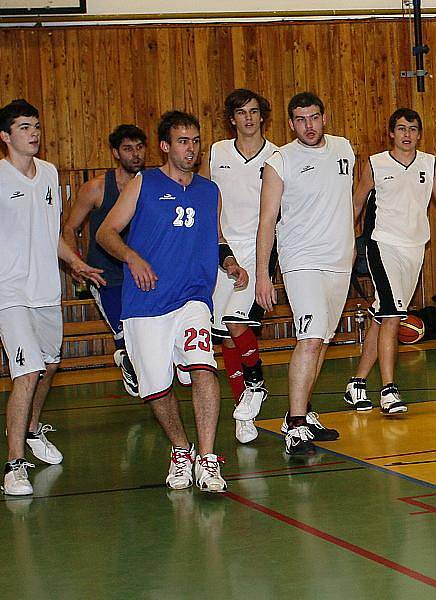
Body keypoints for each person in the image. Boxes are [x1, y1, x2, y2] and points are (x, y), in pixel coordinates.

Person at [97, 110, 247, 492]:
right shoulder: (144, 183)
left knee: (202, 366)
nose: (191, 149)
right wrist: (132, 257)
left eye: (196, 141)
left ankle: (209, 459)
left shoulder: (208, 190)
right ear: (165, 146)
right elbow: (106, 233)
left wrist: (229, 261)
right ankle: (182, 450)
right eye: (183, 141)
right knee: (157, 387)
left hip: (192, 297)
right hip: (145, 302)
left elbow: (214, 238)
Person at [0, 99, 104, 495]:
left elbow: (50, 236)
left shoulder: (48, 174)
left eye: (37, 126)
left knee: (47, 366)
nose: (34, 133)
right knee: (26, 371)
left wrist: (76, 263)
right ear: (5, 136)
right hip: (5, 293)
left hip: (44, 290)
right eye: (24, 127)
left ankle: (30, 429)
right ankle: (14, 465)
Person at [344, 108, 436, 414]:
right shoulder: (376, 164)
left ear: (419, 133)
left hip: (414, 248)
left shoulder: (429, 163)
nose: (407, 134)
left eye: (412, 129)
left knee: (383, 313)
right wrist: (345, 240)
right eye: (401, 129)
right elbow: (357, 202)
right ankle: (388, 389)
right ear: (391, 133)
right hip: (382, 244)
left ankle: (357, 383)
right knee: (392, 314)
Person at [256, 92, 351, 455]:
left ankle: (305, 412)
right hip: (302, 261)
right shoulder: (279, 160)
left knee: (323, 341)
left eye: (314, 117)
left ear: (324, 118)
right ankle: (294, 425)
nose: (308, 125)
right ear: (291, 123)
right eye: (300, 119)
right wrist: (264, 274)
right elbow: (266, 221)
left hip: (338, 261)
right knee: (309, 339)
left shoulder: (344, 149)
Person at [199, 89, 278, 445]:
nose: (248, 118)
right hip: (223, 250)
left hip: (261, 248)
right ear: (231, 118)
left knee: (236, 322)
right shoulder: (217, 152)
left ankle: (256, 384)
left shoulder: (277, 155)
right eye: (241, 112)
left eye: (254, 111)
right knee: (226, 337)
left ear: (263, 116)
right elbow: (202, 197)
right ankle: (242, 412)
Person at [62, 124, 147, 397]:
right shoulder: (97, 188)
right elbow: (69, 228)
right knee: (123, 334)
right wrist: (77, 264)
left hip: (140, 270)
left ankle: (136, 362)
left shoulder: (151, 184)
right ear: (115, 153)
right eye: (127, 149)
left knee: (144, 332)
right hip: (105, 273)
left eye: (139, 147)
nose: (135, 154)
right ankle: (125, 358)